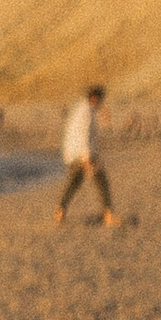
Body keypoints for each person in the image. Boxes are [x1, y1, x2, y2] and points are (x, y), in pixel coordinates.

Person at [56, 83, 118, 228]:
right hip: (83, 154)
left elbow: (75, 134)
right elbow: (82, 134)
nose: (102, 103)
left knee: (75, 182)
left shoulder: (82, 109)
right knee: (101, 181)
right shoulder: (86, 112)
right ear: (95, 98)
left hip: (75, 153)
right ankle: (108, 215)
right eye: (101, 99)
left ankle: (60, 210)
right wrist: (87, 158)